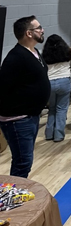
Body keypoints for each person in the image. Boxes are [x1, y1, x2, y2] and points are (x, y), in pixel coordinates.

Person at [0, 16, 50, 178]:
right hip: (17, 120)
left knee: (25, 160)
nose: (42, 30)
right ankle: (12, 196)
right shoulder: (15, 57)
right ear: (29, 33)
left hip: (31, 116)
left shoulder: (33, 52)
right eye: (39, 28)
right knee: (23, 162)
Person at [42, 34, 71, 142]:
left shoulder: (44, 56)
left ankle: (49, 133)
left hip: (49, 83)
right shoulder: (68, 54)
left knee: (52, 109)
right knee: (61, 109)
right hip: (64, 81)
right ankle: (59, 135)